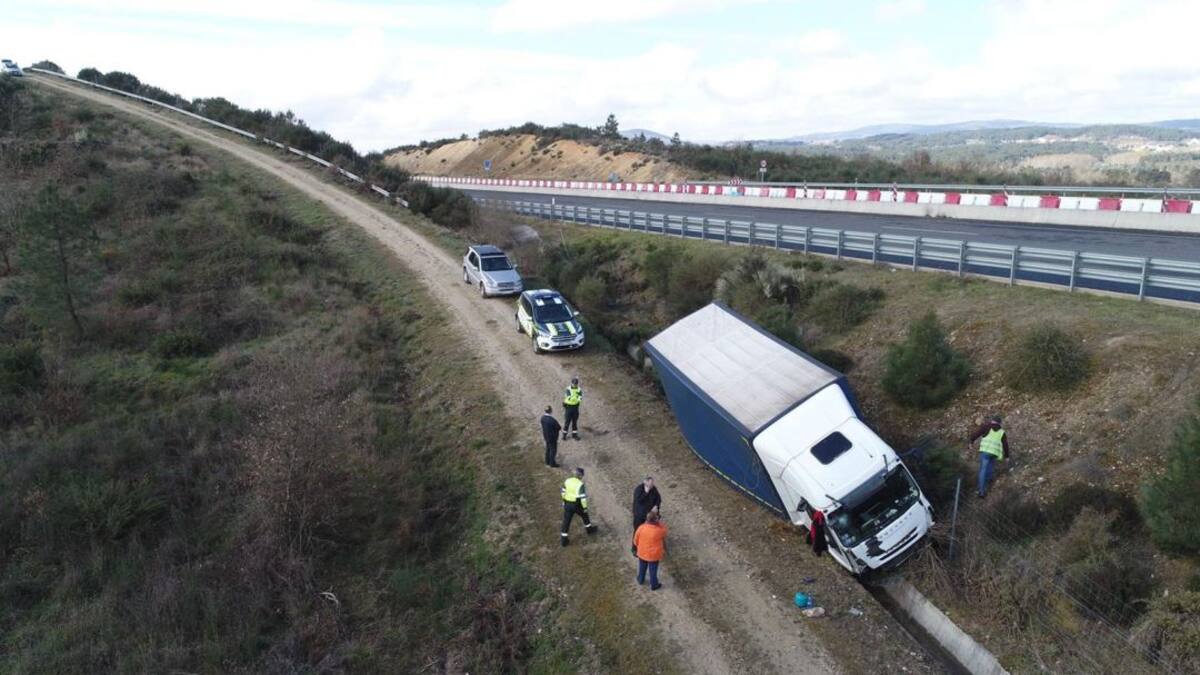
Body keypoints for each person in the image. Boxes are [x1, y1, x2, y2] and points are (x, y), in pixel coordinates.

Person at [969, 415, 1010, 498]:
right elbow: (1005, 445)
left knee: (983, 470)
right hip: (994, 453)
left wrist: (971, 441)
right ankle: (989, 482)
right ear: (1000, 423)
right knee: (990, 467)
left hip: (985, 452)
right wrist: (1007, 456)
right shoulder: (1002, 432)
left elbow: (977, 434)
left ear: (992, 420)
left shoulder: (986, 427)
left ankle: (981, 492)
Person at [561, 467, 597, 546]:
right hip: (576, 504)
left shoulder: (567, 481)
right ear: (580, 476)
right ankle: (589, 529)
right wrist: (584, 508)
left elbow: (563, 492)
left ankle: (563, 540)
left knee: (566, 521)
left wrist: (564, 501)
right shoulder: (580, 484)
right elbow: (583, 498)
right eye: (582, 476)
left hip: (567, 503)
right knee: (585, 515)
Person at [633, 511, 668, 590]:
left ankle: (640, 579)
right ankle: (654, 584)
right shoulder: (659, 531)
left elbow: (635, 541)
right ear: (656, 520)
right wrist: (659, 523)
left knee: (642, 567)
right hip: (653, 555)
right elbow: (665, 532)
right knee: (653, 570)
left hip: (642, 552)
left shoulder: (641, 528)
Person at [631, 476, 662, 554]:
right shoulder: (639, 489)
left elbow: (658, 499)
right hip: (640, 515)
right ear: (645, 482)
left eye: (652, 484)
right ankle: (634, 548)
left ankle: (652, 546)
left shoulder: (654, 489)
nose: (651, 486)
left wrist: (656, 506)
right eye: (650, 484)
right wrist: (646, 492)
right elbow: (639, 500)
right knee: (637, 530)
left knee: (653, 530)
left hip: (651, 515)